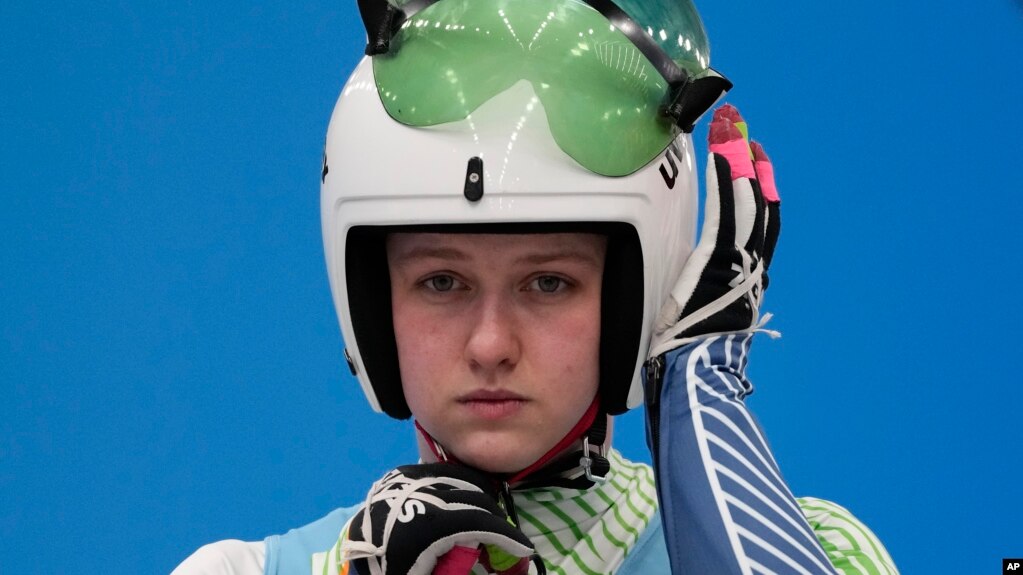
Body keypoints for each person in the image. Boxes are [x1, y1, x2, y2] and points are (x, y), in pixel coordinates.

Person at [174, 0, 898, 573]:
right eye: (441, 280)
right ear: (372, 302)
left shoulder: (822, 547)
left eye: (548, 282)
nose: (491, 344)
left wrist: (696, 402)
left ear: (633, 298)